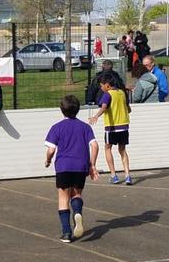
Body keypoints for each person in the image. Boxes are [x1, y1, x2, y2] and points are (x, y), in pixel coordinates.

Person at [45, 95, 99, 243]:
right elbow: (94, 145)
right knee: (76, 194)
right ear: (78, 109)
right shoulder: (85, 127)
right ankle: (77, 212)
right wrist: (92, 165)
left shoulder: (57, 127)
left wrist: (48, 160)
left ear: (61, 110)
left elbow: (51, 149)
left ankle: (67, 232)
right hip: (80, 166)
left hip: (63, 166)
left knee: (63, 198)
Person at [90, 75, 132, 185]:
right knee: (122, 150)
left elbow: (104, 107)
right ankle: (127, 175)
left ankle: (113, 175)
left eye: (101, 86)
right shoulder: (122, 93)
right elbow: (129, 109)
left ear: (107, 85)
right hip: (124, 126)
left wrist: (96, 116)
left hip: (112, 127)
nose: (101, 88)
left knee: (107, 148)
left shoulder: (107, 95)